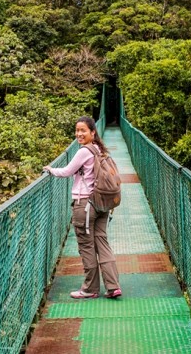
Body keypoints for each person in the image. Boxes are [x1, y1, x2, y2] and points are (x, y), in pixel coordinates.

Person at [44, 116, 122, 299]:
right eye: (77, 130)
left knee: (86, 246)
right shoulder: (98, 149)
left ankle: (90, 289)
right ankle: (113, 286)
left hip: (85, 205)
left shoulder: (83, 151)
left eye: (83, 131)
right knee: (102, 243)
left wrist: (50, 169)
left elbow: (66, 172)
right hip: (102, 203)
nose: (79, 134)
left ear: (92, 132)